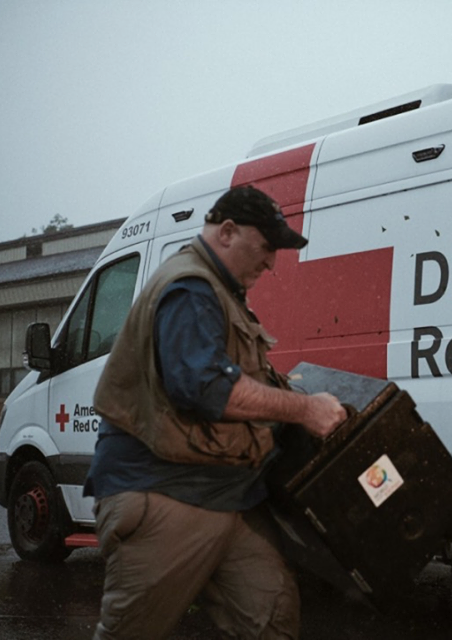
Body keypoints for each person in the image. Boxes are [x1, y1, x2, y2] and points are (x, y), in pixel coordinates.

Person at [83, 185, 346, 640]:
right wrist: (304, 410)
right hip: (165, 496)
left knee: (271, 620)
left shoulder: (220, 294)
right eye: (265, 248)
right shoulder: (189, 289)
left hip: (230, 498)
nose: (270, 263)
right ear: (227, 232)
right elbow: (206, 389)